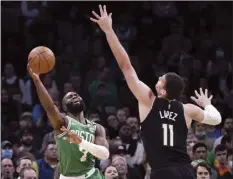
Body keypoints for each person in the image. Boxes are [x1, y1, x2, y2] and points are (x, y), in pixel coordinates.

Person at [90, 5, 222, 179]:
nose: (158, 78)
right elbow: (216, 119)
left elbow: (125, 66)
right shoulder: (187, 110)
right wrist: (207, 104)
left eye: (161, 79)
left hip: (163, 171)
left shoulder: (148, 101)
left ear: (163, 89)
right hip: (186, 171)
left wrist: (108, 31)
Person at [27, 62, 109, 179]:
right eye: (70, 97)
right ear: (64, 107)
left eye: (76, 95)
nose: (74, 96)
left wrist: (80, 141)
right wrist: (37, 80)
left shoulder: (96, 128)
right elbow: (49, 107)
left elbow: (103, 154)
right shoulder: (63, 123)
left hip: (91, 175)